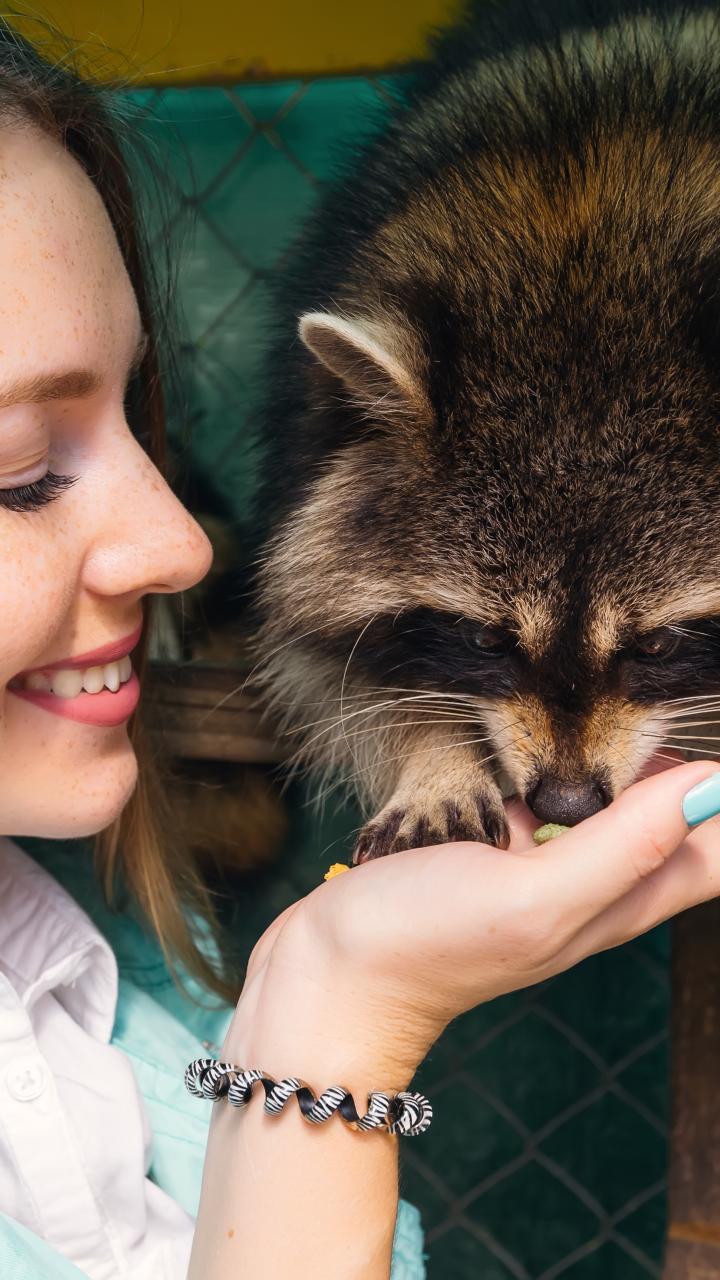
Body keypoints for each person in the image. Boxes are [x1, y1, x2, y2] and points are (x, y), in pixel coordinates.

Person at [0, 18, 719, 1280]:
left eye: (140, 417)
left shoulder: (89, 989)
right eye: (20, 473)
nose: (185, 543)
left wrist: (334, 996)